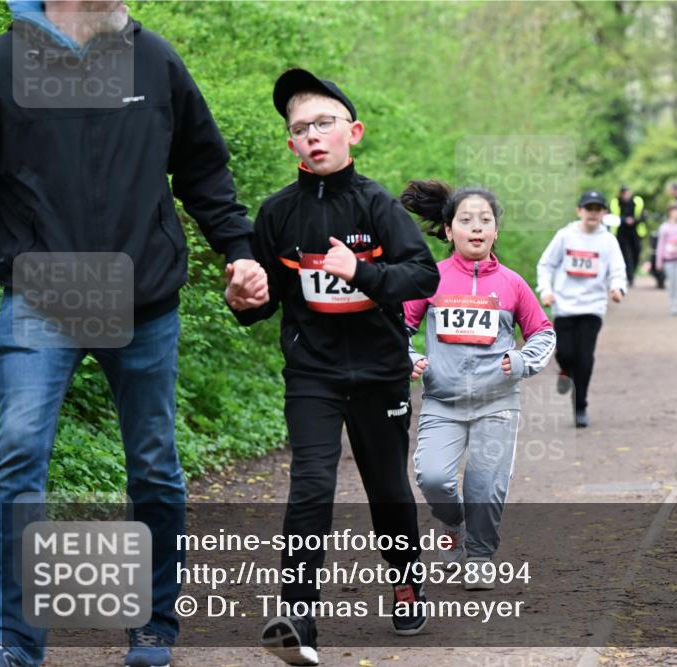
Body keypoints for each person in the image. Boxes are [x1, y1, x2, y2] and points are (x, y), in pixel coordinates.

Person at [0, 3, 267, 666]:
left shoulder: (154, 59)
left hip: (144, 299)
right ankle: (10, 636)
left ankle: (153, 624)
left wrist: (241, 250)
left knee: (155, 463)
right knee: (20, 450)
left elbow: (202, 168)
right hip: (42, 296)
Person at [229, 68, 440, 666]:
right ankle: (297, 617)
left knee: (388, 489)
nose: (314, 136)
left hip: (379, 372)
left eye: (325, 123)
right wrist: (244, 301)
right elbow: (267, 299)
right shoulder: (276, 215)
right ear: (291, 144)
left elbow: (422, 275)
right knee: (311, 485)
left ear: (354, 132)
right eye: (301, 129)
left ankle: (405, 582)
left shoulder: (377, 205)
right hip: (313, 373)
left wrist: (363, 272)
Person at [401, 181, 555, 586]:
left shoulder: (512, 283)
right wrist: (411, 357)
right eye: (466, 220)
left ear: (495, 232)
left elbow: (543, 332)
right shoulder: (428, 279)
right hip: (442, 400)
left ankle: (481, 556)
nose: (476, 227)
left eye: (485, 220)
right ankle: (454, 525)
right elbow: (395, 327)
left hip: (497, 402)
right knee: (433, 477)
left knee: (485, 485)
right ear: (449, 231)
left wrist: (521, 360)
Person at [537, 191, 626, 428]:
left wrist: (617, 288)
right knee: (566, 354)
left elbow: (618, 269)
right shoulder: (565, 236)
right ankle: (565, 370)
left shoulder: (608, 241)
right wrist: (545, 290)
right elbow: (546, 264)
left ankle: (580, 407)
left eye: (598, 209)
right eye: (589, 208)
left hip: (593, 307)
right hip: (564, 306)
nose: (593, 213)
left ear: (604, 213)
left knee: (585, 358)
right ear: (579, 211)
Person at [609, 185, 647, 287]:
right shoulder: (615, 202)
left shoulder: (638, 201)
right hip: (621, 232)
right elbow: (611, 216)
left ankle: (632, 273)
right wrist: (624, 220)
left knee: (636, 252)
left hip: (635, 232)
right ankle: (628, 277)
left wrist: (634, 220)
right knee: (625, 255)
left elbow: (644, 215)